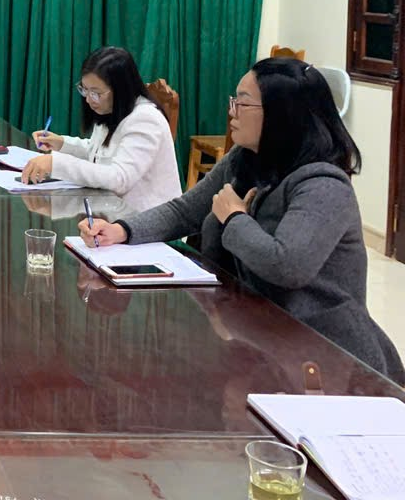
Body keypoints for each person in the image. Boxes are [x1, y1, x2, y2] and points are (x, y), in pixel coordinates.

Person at [79, 58, 405, 384]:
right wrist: (122, 230)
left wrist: (234, 217)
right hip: (256, 331)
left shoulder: (323, 185)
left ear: (280, 114)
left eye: (243, 103)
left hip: (325, 356)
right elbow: (185, 211)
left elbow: (287, 266)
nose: (232, 112)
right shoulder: (245, 158)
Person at [21, 46, 181, 212]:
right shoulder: (113, 109)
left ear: (120, 90)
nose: (89, 100)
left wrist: (57, 163)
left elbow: (119, 178)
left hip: (148, 218)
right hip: (113, 211)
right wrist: (62, 143)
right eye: (85, 90)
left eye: (96, 93)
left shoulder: (145, 119)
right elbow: (99, 154)